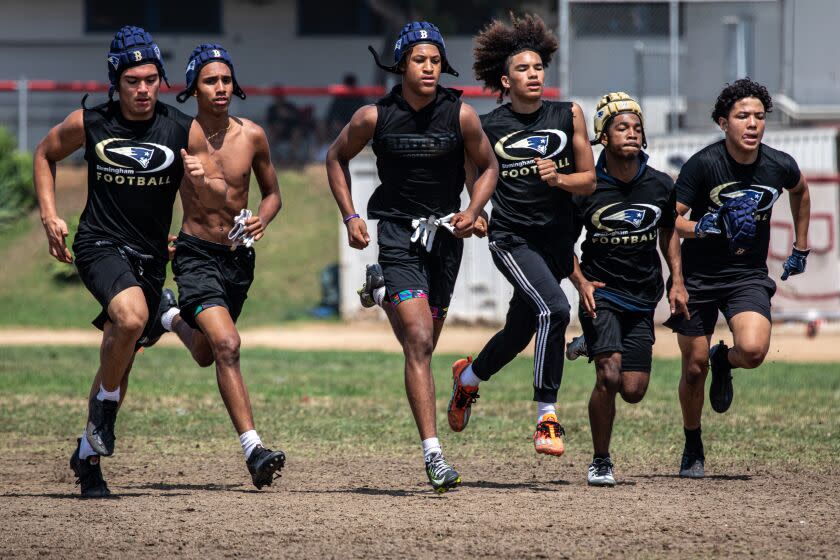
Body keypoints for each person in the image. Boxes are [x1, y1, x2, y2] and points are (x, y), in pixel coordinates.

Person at [326, 22, 498, 492]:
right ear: (402, 64)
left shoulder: (460, 115)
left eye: (436, 61)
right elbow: (335, 158)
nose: (429, 68)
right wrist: (350, 216)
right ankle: (434, 454)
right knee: (419, 339)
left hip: (445, 237)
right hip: (399, 233)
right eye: (420, 60)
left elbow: (488, 167)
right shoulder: (372, 117)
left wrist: (473, 209)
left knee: (423, 340)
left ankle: (381, 289)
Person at [33, 26, 195, 498]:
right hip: (100, 244)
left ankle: (87, 457)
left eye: (150, 79)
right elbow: (45, 154)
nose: (142, 89)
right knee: (130, 318)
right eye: (132, 81)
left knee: (118, 358)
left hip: (148, 258)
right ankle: (104, 413)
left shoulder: (181, 128)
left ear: (161, 79)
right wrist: (49, 216)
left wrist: (192, 222)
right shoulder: (90, 122)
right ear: (115, 82)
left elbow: (213, 187)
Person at [446, 14, 596, 458]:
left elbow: (589, 179)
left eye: (538, 67)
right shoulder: (487, 126)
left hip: (556, 243)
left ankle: (467, 380)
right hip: (512, 239)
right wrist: (477, 214)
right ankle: (546, 418)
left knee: (519, 330)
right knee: (554, 309)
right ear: (505, 79)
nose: (533, 75)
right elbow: (472, 175)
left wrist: (561, 180)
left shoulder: (568, 115)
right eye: (523, 69)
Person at [664, 78, 811, 478]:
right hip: (696, 277)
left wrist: (800, 245)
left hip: (746, 274)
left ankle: (723, 360)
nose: (752, 124)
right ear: (722, 122)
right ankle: (693, 443)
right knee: (693, 368)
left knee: (753, 351)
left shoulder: (777, 164)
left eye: (760, 117)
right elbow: (670, 221)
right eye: (742, 116)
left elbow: (799, 191)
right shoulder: (702, 166)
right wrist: (701, 228)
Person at [158, 44, 285, 489]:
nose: (221, 88)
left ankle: (169, 315)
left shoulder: (252, 135)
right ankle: (254, 450)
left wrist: (261, 218)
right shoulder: (177, 134)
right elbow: (153, 192)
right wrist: (161, 239)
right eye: (211, 80)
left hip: (238, 259)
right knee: (228, 345)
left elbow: (272, 194)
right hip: (195, 255)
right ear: (194, 86)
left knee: (206, 352)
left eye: (226, 80)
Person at [565, 92, 689, 486]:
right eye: (622, 127)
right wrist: (580, 280)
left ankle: (591, 342)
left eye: (637, 127)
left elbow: (668, 229)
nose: (632, 133)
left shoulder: (659, 184)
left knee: (633, 390)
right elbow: (559, 239)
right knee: (610, 376)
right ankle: (601, 460)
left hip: (642, 294)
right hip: (600, 292)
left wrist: (677, 280)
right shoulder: (586, 185)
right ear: (603, 136)